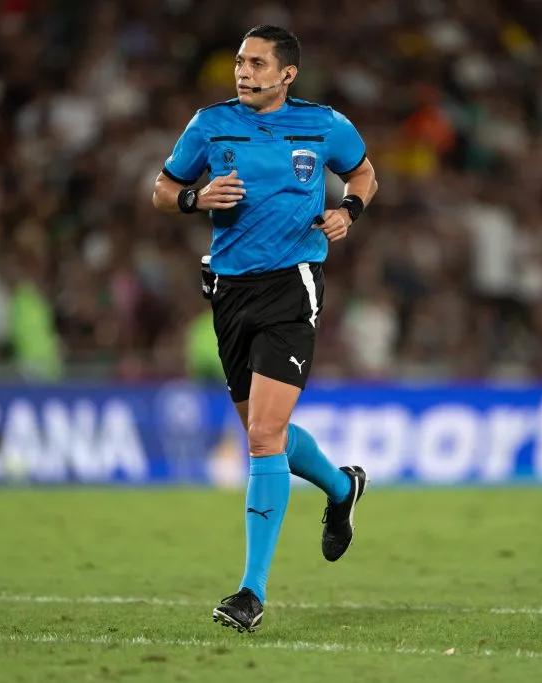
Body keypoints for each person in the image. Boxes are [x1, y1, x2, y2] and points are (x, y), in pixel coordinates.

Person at [151, 25, 379, 633]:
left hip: (291, 283)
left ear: (287, 74)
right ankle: (340, 486)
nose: (243, 72)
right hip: (228, 289)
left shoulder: (326, 125)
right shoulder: (209, 124)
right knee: (262, 433)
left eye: (256, 64)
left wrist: (346, 212)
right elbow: (163, 189)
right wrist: (196, 199)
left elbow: (364, 175)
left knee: (263, 435)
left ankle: (251, 592)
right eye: (239, 62)